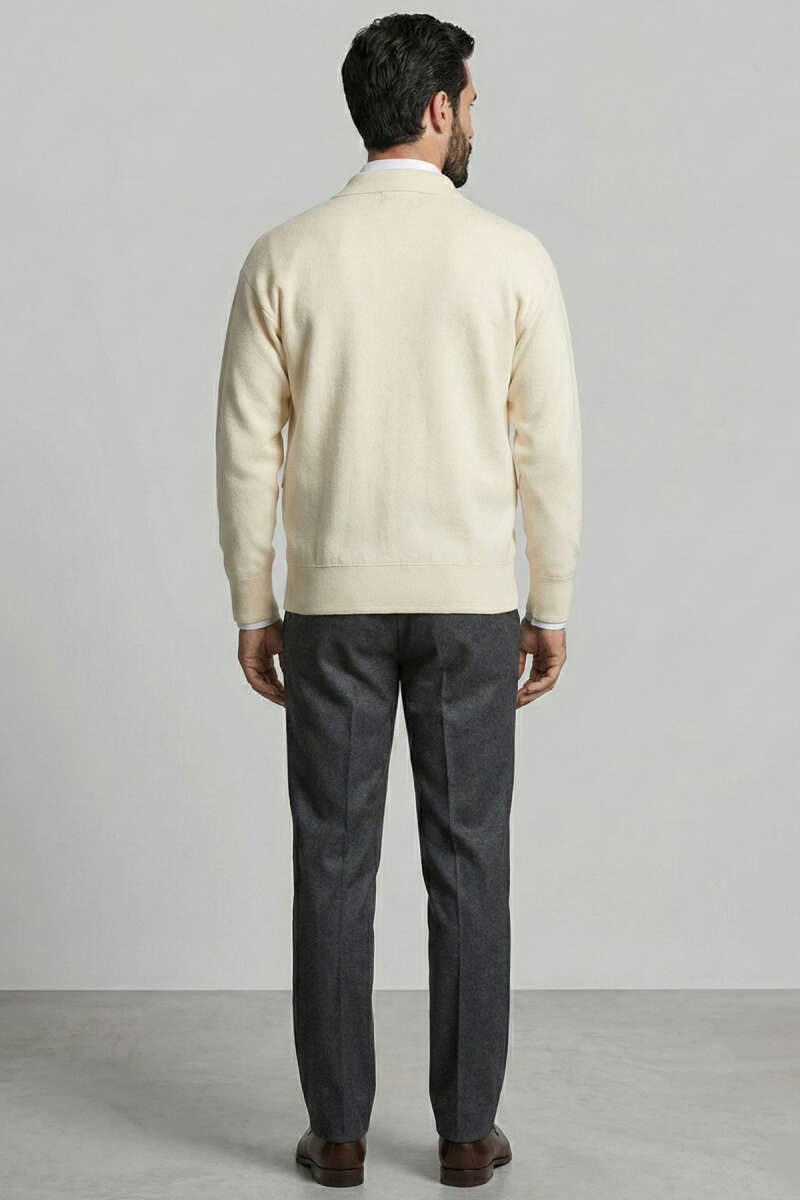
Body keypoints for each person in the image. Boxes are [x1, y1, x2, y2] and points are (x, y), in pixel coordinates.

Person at [215, 12, 582, 1189]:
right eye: (468, 103)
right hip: (471, 604)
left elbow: (245, 450)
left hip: (330, 603)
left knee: (331, 864)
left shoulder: (284, 255)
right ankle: (466, 1134)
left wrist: (254, 602)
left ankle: (337, 1137)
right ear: (435, 110)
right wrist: (548, 600)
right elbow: (547, 450)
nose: (474, 121)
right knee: (468, 863)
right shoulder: (510, 256)